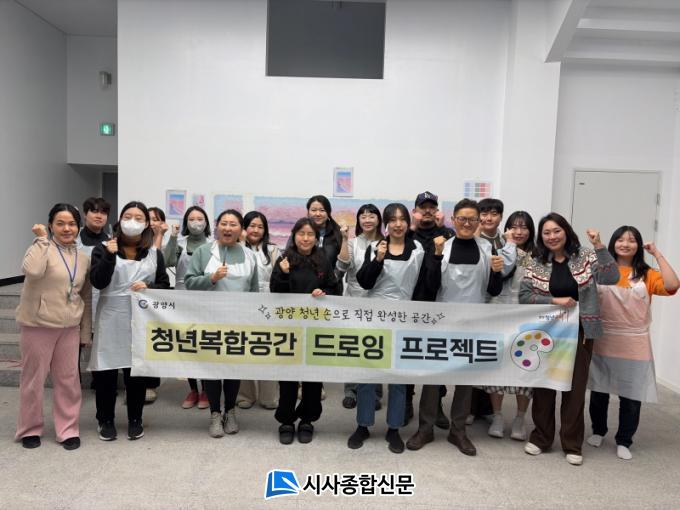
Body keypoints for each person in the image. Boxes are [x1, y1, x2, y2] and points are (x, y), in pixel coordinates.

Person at [520, 212, 619, 466]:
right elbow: (524, 296)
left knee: (574, 390)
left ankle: (572, 443)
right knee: (544, 386)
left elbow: (611, 277)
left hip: (580, 332)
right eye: (546, 232)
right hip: (546, 332)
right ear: (541, 237)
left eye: (557, 231)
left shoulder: (585, 255)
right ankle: (541, 437)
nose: (552, 236)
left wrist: (599, 245)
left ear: (566, 231)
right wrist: (554, 300)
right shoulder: (536, 262)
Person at [407, 198, 504, 456]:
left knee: (465, 380)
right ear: (453, 220)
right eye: (462, 219)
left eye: (472, 219)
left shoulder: (487, 248)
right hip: (442, 322)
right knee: (432, 378)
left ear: (478, 222)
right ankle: (425, 428)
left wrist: (497, 272)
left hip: (473, 323)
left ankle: (458, 431)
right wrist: (436, 256)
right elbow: (430, 287)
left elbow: (494, 290)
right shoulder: (442, 246)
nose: (467, 223)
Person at [587, 226, 678, 460]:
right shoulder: (601, 269)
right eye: (620, 239)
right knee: (599, 391)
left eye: (631, 240)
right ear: (613, 243)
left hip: (635, 341)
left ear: (638, 246)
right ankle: (598, 430)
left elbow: (672, 285)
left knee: (631, 395)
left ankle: (624, 439)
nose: (625, 244)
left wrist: (657, 254)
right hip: (604, 337)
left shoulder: (647, 274)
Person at [351, 203, 435, 454]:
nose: (398, 224)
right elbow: (364, 282)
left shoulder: (417, 249)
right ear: (386, 224)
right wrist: (378, 259)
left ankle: (394, 428)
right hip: (375, 317)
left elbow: (425, 285)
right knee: (368, 374)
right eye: (393, 220)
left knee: (398, 377)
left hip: (404, 318)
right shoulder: (376, 247)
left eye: (402, 219)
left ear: (408, 222)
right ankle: (363, 425)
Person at [89, 201, 170, 441]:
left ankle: (135, 418)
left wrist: (149, 286)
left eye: (138, 218)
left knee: (136, 373)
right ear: (120, 220)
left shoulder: (154, 254)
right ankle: (105, 420)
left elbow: (165, 285)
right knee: (106, 372)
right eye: (128, 216)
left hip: (140, 319)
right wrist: (109, 256)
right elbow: (98, 281)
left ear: (146, 224)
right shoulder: (103, 248)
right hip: (110, 317)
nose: (132, 222)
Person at [15, 204, 92, 450]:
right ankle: (30, 429)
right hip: (38, 324)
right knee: (33, 380)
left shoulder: (83, 258)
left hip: (69, 327)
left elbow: (85, 295)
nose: (67, 228)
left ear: (78, 227)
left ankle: (68, 429)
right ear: (51, 226)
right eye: (60, 223)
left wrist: (85, 330)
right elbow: (32, 271)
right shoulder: (40, 249)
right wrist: (41, 240)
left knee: (69, 380)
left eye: (72, 224)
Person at [184, 209, 259, 438]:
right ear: (217, 227)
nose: (228, 228)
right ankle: (215, 414)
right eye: (224, 223)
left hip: (238, 322)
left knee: (233, 369)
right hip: (209, 321)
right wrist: (212, 278)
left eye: (233, 224)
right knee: (212, 370)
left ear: (241, 229)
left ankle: (231, 411)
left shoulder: (249, 255)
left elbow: (254, 290)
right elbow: (189, 282)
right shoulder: (203, 252)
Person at [270, 218, 340, 445]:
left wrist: (324, 292)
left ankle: (307, 420)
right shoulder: (284, 259)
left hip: (315, 328)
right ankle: (286, 421)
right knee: (288, 379)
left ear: (316, 238)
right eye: (301, 234)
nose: (306, 238)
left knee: (312, 379)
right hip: (289, 329)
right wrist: (283, 274)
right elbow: (274, 292)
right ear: (294, 236)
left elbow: (334, 288)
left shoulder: (323, 260)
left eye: (310, 234)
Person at [482, 210, 536, 440]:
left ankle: (520, 418)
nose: (519, 231)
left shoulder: (538, 256)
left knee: (525, 367)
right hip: (499, 313)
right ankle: (497, 416)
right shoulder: (500, 249)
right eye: (514, 226)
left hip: (527, 317)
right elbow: (500, 273)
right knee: (496, 366)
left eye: (524, 227)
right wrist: (510, 246)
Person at [406, 191, 455, 428]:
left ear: (437, 210)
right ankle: (406, 401)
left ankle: (436, 405)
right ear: (414, 211)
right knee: (407, 355)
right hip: (410, 305)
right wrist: (411, 228)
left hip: (439, 305)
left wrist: (443, 227)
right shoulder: (406, 235)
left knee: (437, 357)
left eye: (431, 207)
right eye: (422, 207)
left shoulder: (447, 235)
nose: (427, 211)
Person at [467, 198, 518, 426]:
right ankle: (470, 408)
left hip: (500, 307)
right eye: (484, 214)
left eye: (494, 214)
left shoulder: (505, 241)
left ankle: (488, 409)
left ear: (500, 217)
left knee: (491, 357)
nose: (489, 218)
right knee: (472, 357)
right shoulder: (471, 238)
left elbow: (504, 270)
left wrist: (510, 244)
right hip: (477, 305)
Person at [336, 204, 384, 410]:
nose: (367, 220)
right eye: (363, 216)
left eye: (371, 216)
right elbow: (341, 267)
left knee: (376, 348)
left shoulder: (386, 243)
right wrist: (344, 239)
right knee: (353, 347)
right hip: (354, 301)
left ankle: (375, 392)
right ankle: (351, 390)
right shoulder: (353, 242)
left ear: (379, 220)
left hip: (378, 301)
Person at [164, 205, 212, 410]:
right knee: (187, 344)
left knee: (205, 343)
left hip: (206, 296)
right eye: (191, 219)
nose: (196, 222)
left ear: (206, 222)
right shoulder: (180, 243)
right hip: (183, 296)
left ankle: (207, 390)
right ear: (185, 222)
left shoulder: (212, 244)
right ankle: (193, 389)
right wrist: (172, 237)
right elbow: (167, 261)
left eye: (200, 219)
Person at [236, 211, 279, 410]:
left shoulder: (273, 250)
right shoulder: (234, 249)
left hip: (268, 305)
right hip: (243, 304)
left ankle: (268, 396)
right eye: (252, 226)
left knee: (267, 349)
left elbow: (279, 278)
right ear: (244, 228)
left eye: (260, 227)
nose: (256, 230)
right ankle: (245, 394)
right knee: (243, 348)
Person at [305, 194, 344, 296]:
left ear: (328, 212)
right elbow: (291, 255)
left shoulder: (338, 233)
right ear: (308, 212)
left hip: (331, 290)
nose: (318, 214)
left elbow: (343, 263)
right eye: (313, 210)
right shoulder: (300, 232)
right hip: (304, 288)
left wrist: (330, 282)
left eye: (322, 210)